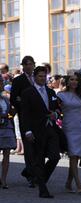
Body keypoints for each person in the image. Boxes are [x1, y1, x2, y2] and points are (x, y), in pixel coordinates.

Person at [21, 66, 62, 198]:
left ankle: (34, 175)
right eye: (40, 76)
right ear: (34, 77)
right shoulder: (28, 92)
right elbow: (24, 114)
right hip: (35, 129)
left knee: (55, 156)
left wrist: (55, 114)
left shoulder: (51, 92)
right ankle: (43, 190)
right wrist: (27, 131)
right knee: (38, 159)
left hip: (50, 128)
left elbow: (58, 109)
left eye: (44, 76)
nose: (43, 78)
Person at [58, 71, 81, 194]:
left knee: (76, 156)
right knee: (73, 154)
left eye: (76, 80)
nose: (74, 82)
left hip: (79, 127)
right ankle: (78, 183)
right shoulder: (61, 95)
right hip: (68, 126)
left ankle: (68, 183)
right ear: (67, 81)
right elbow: (57, 111)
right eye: (72, 79)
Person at [10, 56, 36, 188]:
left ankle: (30, 171)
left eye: (33, 64)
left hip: (38, 117)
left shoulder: (37, 79)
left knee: (38, 146)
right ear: (24, 66)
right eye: (29, 64)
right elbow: (14, 98)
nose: (31, 67)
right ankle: (31, 175)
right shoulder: (18, 80)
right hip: (25, 116)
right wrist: (24, 104)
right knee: (29, 146)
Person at [0, 77, 16, 189]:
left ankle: (4, 180)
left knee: (7, 153)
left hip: (6, 127)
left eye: (1, 82)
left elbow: (11, 111)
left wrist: (13, 111)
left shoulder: (5, 99)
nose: (1, 84)